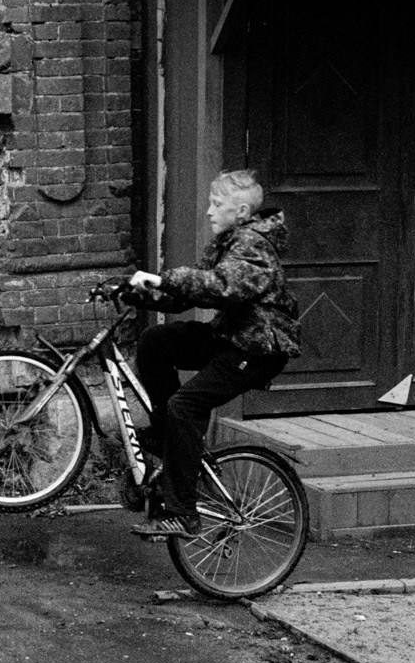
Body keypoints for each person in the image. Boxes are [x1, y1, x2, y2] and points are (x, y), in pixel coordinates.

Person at [116, 169, 302, 539]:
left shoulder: (254, 244)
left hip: (258, 347)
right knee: (156, 341)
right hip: (232, 337)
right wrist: (136, 292)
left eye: (217, 205)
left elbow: (224, 287)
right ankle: (171, 438)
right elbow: (191, 294)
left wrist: (164, 278)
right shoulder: (231, 240)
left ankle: (183, 513)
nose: (208, 212)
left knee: (185, 406)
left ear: (242, 210)